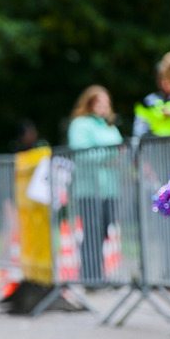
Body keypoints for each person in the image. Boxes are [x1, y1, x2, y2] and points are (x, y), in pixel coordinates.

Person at [66, 85, 124, 283]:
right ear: (89, 103)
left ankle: (96, 272)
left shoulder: (109, 126)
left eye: (107, 103)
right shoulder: (80, 124)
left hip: (109, 188)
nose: (104, 107)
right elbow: (81, 153)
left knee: (104, 231)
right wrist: (109, 155)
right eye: (99, 102)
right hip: (89, 188)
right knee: (92, 231)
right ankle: (92, 276)